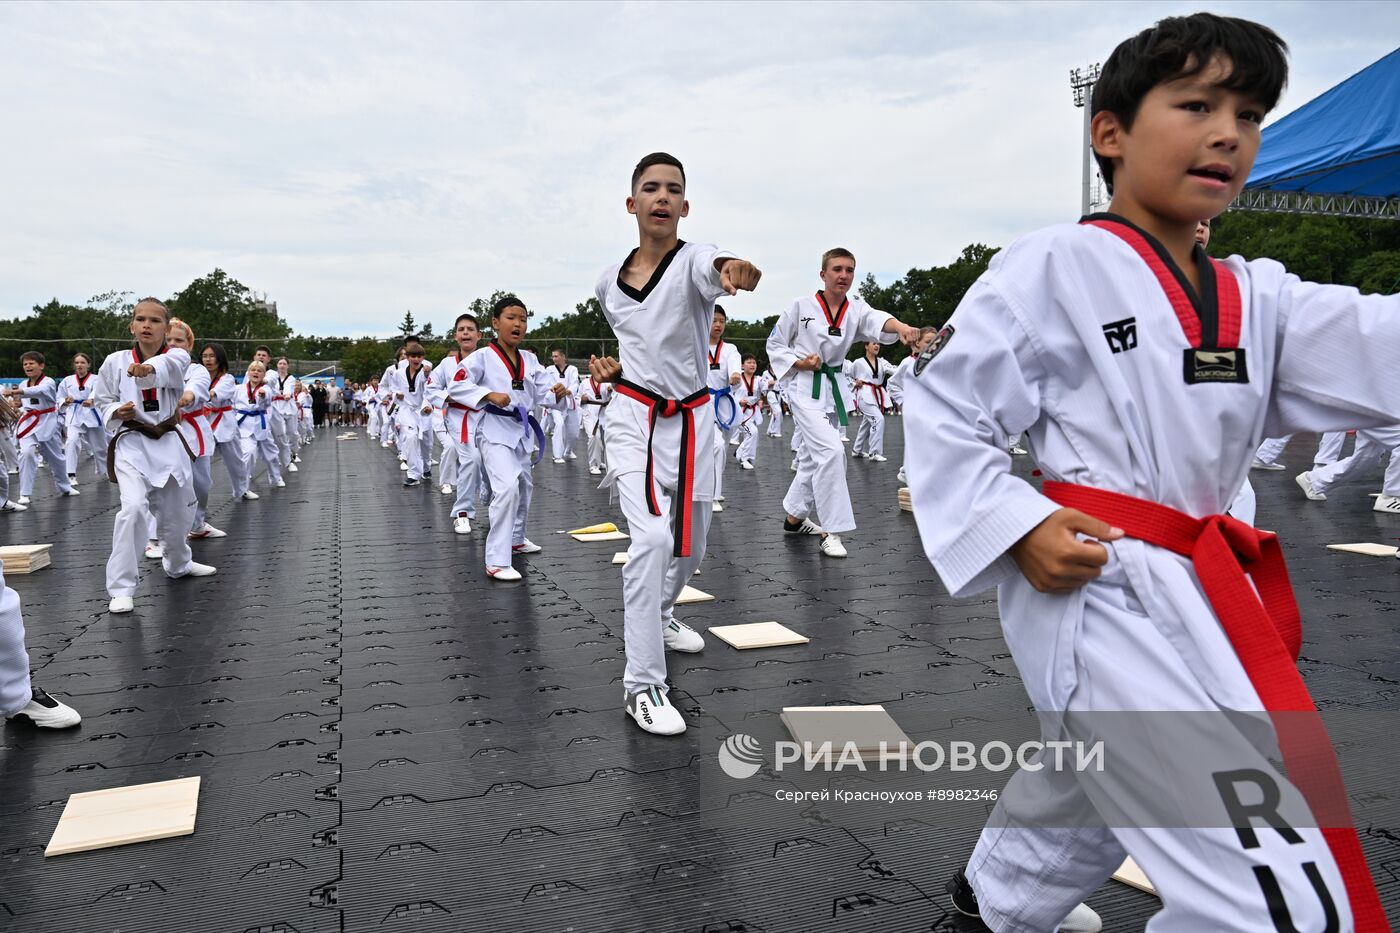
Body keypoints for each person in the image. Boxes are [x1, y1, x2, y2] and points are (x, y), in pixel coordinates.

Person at [907, 14, 1393, 931]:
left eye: (1249, 115)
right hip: (1100, 587)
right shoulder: (1051, 267)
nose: (1228, 134)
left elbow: (1379, 341)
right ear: (1110, 133)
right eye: (1197, 106)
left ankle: (993, 897)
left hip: (1208, 586)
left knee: (1092, 772)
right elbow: (946, 407)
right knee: (1273, 901)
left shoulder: (1260, 296)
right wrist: (1017, 525)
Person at [588, 152, 761, 735]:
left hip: (693, 422)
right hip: (634, 419)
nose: (661, 196)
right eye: (650, 188)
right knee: (653, 539)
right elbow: (640, 344)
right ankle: (642, 685)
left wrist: (734, 269)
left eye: (672, 189)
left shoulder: (694, 262)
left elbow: (717, 265)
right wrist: (616, 374)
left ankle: (660, 615)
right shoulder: (607, 283)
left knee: (691, 546)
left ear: (684, 207)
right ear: (631, 203)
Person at [766, 248, 920, 558]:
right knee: (832, 451)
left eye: (849, 270)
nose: (843, 275)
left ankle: (794, 517)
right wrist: (800, 363)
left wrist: (902, 327)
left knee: (812, 457)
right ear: (823, 274)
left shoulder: (856, 309)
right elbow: (775, 344)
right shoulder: (800, 306)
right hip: (805, 387)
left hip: (834, 388)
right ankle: (831, 531)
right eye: (837, 269)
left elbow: (878, 320)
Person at [93, 298, 215, 615]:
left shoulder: (178, 357)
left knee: (177, 514)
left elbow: (169, 368)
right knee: (133, 508)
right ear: (131, 326)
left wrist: (148, 369)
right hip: (131, 442)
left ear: (166, 327)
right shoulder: (114, 362)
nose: (146, 325)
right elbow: (102, 400)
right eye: (140, 319)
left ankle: (179, 564)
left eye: (155, 320)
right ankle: (121, 588)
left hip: (168, 442)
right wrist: (115, 410)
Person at [449, 297, 567, 579]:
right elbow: (456, 385)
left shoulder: (530, 359)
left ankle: (516, 538)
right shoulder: (482, 357)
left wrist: (558, 393)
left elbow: (544, 393)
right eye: (511, 318)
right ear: (495, 323)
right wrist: (488, 394)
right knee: (507, 489)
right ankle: (497, 561)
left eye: (523, 319)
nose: (518, 324)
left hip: (521, 431)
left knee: (524, 486)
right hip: (493, 430)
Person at [1, 380, 80, 728]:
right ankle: (16, 696)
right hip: (37, 423)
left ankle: (16, 696)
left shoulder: (46, 383)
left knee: (59, 456)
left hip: (49, 422)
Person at [427, 313, 484, 533]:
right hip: (459, 418)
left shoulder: (489, 359)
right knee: (472, 458)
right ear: (455, 336)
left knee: (490, 462)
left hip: (487, 417)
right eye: (461, 330)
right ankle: (462, 512)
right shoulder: (447, 364)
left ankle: (488, 495)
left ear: (479, 335)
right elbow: (431, 388)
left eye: (470, 329)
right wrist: (450, 398)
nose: (466, 333)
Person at [164, 319, 220, 540]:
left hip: (193, 431)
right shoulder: (153, 367)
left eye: (179, 340)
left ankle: (197, 524)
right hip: (163, 432)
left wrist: (183, 400)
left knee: (201, 483)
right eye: (168, 340)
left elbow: (194, 390)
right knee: (162, 484)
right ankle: (156, 537)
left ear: (189, 344)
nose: (173, 344)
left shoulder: (198, 370)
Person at [7, 351, 78, 504]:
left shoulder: (48, 382)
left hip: (47, 423)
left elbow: (39, 391)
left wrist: (16, 392)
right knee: (26, 453)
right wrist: (17, 408)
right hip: (29, 423)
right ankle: (25, 493)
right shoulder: (23, 384)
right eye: (25, 364)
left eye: (31, 363)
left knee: (56, 458)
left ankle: (65, 486)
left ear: (41, 365)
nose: (28, 366)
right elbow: (26, 404)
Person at [200, 342, 254, 504]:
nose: (208, 360)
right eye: (205, 356)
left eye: (212, 356)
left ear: (219, 358)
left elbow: (219, 393)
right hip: (203, 421)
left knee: (235, 460)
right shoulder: (198, 377)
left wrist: (207, 394)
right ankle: (198, 499)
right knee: (200, 461)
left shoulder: (227, 379)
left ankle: (241, 489)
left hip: (224, 421)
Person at [888, 327, 938, 484]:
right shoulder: (908, 363)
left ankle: (911, 472)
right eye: (928, 341)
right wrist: (905, 401)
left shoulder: (938, 363)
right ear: (917, 343)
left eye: (936, 342)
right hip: (916, 409)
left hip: (934, 409)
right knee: (920, 440)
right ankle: (908, 472)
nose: (933, 345)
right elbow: (893, 384)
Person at [705, 307, 743, 511]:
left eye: (722, 321)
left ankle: (714, 485)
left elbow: (735, 366)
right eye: (714, 320)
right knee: (717, 445)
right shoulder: (696, 344)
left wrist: (735, 375)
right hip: (703, 403)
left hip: (725, 402)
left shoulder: (730, 349)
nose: (718, 325)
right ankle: (712, 496)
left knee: (723, 448)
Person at [58, 352, 107, 484]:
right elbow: (59, 397)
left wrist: (91, 399)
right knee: (71, 441)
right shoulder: (67, 380)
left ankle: (104, 470)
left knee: (100, 447)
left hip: (92, 414)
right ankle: (70, 474)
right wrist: (65, 401)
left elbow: (99, 392)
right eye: (77, 362)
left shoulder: (96, 379)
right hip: (74, 414)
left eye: (82, 362)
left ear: (88, 365)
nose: (79, 365)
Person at [237, 361, 283, 491]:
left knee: (271, 454)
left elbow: (267, 398)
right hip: (244, 425)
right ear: (248, 373)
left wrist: (262, 394)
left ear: (263, 375)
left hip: (261, 424)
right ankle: (243, 488)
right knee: (248, 454)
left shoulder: (266, 388)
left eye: (259, 371)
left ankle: (275, 477)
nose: (256, 372)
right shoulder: (239, 389)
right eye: (253, 370)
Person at [847, 341, 895, 462]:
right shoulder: (858, 362)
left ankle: (857, 450)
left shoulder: (882, 362)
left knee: (867, 423)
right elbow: (847, 375)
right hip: (864, 394)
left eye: (878, 344)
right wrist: (854, 382)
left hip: (877, 394)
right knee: (878, 419)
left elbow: (895, 370)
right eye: (874, 343)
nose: (877, 346)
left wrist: (910, 367)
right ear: (866, 346)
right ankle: (874, 452)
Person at [547, 349, 582, 464]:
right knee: (559, 424)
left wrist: (568, 391)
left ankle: (568, 451)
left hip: (569, 401)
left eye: (556, 356)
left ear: (563, 357)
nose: (554, 358)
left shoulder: (572, 369)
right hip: (555, 402)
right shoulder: (549, 370)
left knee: (574, 433)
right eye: (553, 356)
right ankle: (557, 455)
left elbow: (575, 383)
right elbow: (548, 384)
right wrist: (556, 391)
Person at [579, 362, 612, 476]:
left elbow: (615, 395)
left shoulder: (608, 381)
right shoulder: (584, 382)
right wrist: (582, 399)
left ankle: (605, 462)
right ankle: (593, 465)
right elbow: (577, 397)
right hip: (590, 411)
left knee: (609, 438)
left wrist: (610, 391)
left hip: (605, 410)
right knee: (594, 437)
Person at [734, 354, 765, 470]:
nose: (752, 365)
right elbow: (729, 394)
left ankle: (741, 453)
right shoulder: (737, 379)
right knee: (752, 432)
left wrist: (770, 384)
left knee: (753, 435)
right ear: (742, 365)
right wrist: (738, 401)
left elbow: (765, 387)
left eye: (754, 362)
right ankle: (744, 459)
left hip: (752, 413)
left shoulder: (758, 379)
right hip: (740, 413)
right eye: (749, 362)